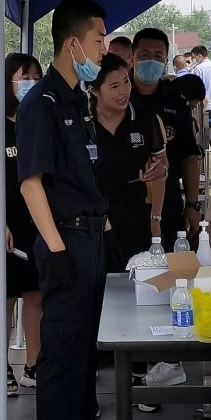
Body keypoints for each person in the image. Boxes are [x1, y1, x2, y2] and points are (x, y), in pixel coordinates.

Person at [16, 0, 115, 420]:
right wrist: (56, 250)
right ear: (73, 42)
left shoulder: (78, 99)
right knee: (62, 353)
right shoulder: (42, 103)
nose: (105, 49)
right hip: (65, 241)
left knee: (84, 351)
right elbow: (31, 183)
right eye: (100, 40)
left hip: (89, 236)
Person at [0, 53, 44, 394]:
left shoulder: (40, 121)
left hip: (38, 221)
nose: (31, 81)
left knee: (35, 296)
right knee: (2, 299)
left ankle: (34, 365)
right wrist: (1, 222)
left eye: (36, 75)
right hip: (5, 223)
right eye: (24, 76)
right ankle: (1, 369)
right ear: (8, 82)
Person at [88, 53, 167, 272]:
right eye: (114, 86)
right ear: (95, 90)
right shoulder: (81, 123)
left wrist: (156, 218)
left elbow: (161, 167)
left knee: (135, 285)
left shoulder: (144, 119)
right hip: (93, 223)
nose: (124, 91)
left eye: (126, 82)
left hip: (136, 217)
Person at [129, 29, 204, 252]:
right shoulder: (118, 97)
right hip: (124, 203)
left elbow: (190, 155)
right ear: (132, 57)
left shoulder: (176, 102)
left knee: (168, 270)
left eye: (158, 56)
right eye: (144, 55)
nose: (151, 61)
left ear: (165, 61)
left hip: (168, 202)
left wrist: (192, 204)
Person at [188, 45, 211, 126]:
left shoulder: (198, 69)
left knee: (207, 136)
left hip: (207, 108)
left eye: (194, 57)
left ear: (199, 56)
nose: (194, 60)